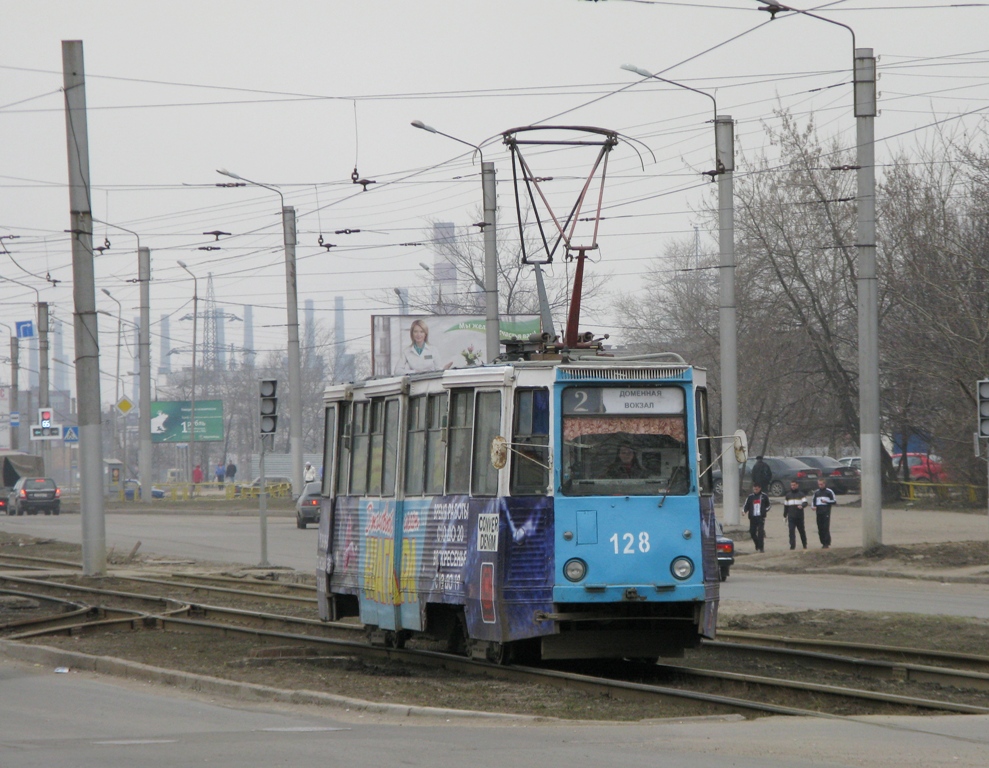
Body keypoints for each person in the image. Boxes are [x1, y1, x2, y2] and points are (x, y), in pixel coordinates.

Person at [743, 483, 771, 553]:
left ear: (760, 488)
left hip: (760, 517)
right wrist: (744, 511)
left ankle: (761, 548)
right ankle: (757, 544)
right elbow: (746, 506)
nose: (755, 490)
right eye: (754, 489)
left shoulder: (764, 496)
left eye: (757, 489)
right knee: (752, 532)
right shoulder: (750, 497)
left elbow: (769, 505)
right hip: (752, 517)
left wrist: (764, 511)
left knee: (760, 533)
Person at [812, 477, 837, 549]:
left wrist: (827, 501)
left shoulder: (829, 492)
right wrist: (813, 507)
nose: (820, 486)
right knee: (820, 528)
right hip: (818, 512)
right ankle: (822, 542)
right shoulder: (816, 492)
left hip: (826, 512)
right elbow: (813, 502)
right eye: (819, 484)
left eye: (821, 484)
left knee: (826, 527)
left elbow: (834, 501)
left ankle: (827, 543)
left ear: (824, 484)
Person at [783, 480, 808, 550]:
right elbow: (786, 506)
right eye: (792, 485)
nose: (793, 486)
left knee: (801, 531)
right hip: (791, 517)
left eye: (794, 485)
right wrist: (784, 516)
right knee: (791, 531)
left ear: (797, 485)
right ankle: (792, 546)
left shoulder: (801, 494)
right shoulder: (788, 495)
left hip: (799, 516)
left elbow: (805, 502)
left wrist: (802, 506)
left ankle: (804, 544)